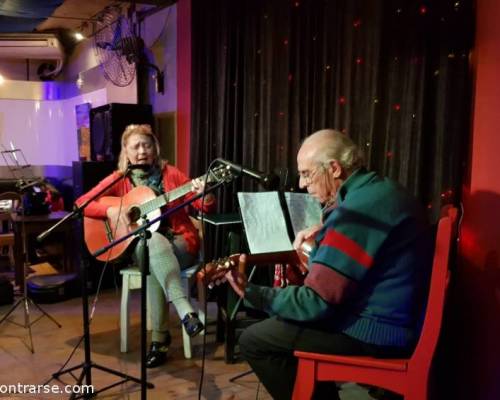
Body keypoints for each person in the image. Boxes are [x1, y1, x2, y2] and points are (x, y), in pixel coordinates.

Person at [223, 129, 433, 399]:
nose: (301, 184)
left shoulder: (357, 212)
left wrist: (254, 293)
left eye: (307, 173)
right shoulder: (379, 191)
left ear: (334, 168)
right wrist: (325, 230)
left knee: (256, 339)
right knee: (284, 324)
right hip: (394, 320)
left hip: (376, 332)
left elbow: (316, 302)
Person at [76, 124, 215, 368]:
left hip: (181, 244)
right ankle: (185, 311)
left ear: (155, 148)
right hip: (140, 247)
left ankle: (160, 340)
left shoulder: (171, 174)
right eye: (136, 146)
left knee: (151, 256)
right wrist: (110, 210)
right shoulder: (119, 179)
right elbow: (81, 203)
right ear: (126, 152)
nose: (142, 150)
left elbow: (205, 207)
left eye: (147, 145)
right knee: (149, 243)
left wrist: (207, 194)